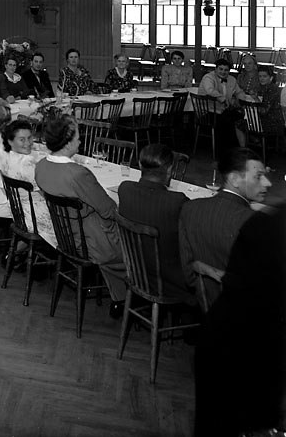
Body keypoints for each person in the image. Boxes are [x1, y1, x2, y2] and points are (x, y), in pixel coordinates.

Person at [194, 205, 286, 437]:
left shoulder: (263, 222)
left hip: (228, 340)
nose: (266, 186)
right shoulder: (267, 227)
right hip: (241, 352)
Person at [34, 115, 127, 312]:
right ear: (67, 142)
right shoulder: (77, 173)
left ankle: (118, 296)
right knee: (137, 242)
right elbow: (108, 209)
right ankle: (129, 295)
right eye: (77, 137)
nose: (80, 141)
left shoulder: (41, 166)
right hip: (90, 241)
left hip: (64, 235)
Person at [178, 147, 271, 308]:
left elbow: (189, 274)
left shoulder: (189, 208)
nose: (267, 183)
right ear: (234, 179)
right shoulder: (256, 223)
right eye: (258, 177)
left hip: (206, 303)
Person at [117, 144, 193, 302]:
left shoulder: (124, 189)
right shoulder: (177, 201)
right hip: (170, 282)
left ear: (139, 165)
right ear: (170, 169)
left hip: (137, 273)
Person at [1, 118, 53, 248]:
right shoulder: (27, 162)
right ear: (10, 141)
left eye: (29, 138)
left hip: (18, 213)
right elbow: (45, 191)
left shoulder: (7, 156)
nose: (28, 143)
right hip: (33, 216)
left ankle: (17, 251)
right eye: (22, 139)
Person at [199, 58, 243, 152]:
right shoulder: (208, 77)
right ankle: (223, 151)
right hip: (208, 111)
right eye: (221, 69)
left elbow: (239, 92)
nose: (223, 72)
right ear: (216, 69)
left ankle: (238, 149)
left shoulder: (232, 79)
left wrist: (240, 101)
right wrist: (223, 99)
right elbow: (210, 90)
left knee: (240, 117)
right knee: (227, 121)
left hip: (225, 110)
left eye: (226, 70)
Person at [251, 65, 285, 137]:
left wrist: (255, 98)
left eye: (264, 76)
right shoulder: (263, 88)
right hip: (268, 120)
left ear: (271, 78)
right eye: (260, 76)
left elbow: (264, 111)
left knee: (241, 123)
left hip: (272, 124)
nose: (262, 79)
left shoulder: (273, 89)